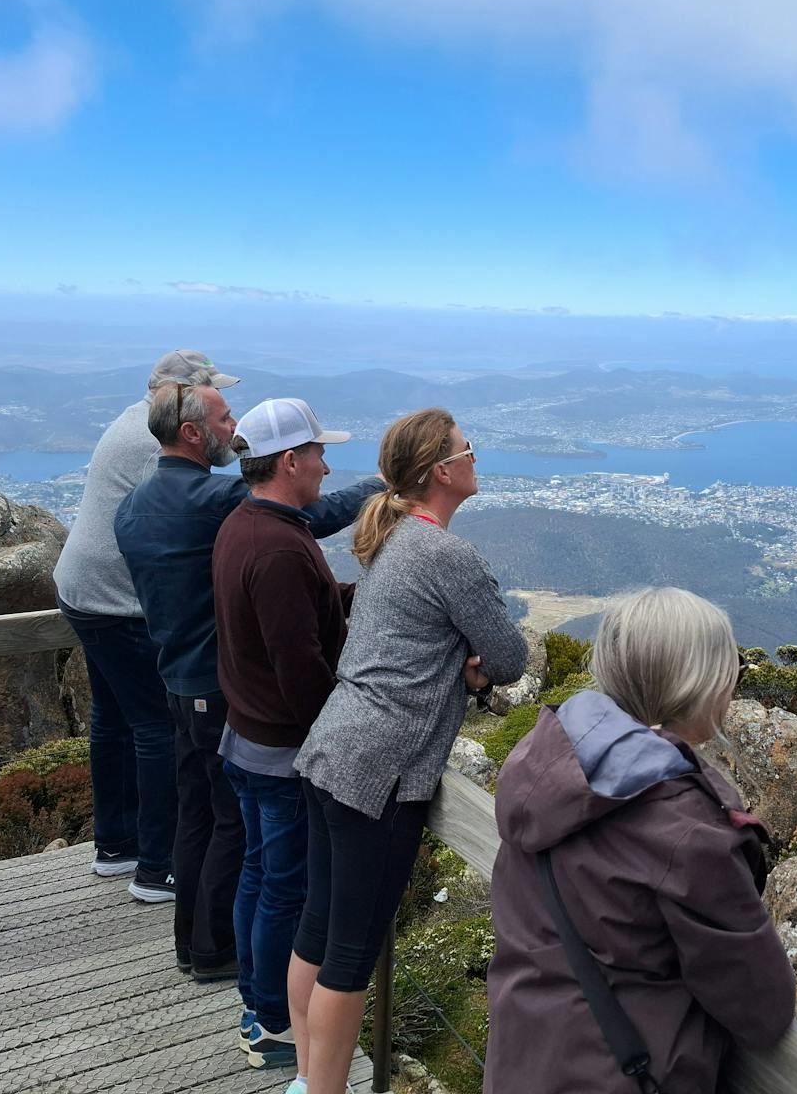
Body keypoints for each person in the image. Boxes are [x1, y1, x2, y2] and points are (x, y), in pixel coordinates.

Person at [288, 408, 528, 1094]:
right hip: (382, 774)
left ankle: (307, 1078)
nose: (475, 456)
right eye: (466, 449)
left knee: (316, 930)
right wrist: (474, 666)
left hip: (332, 751)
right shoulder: (447, 553)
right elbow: (508, 656)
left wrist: (462, 664)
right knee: (352, 958)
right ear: (442, 472)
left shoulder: (393, 538)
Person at [114, 382, 382, 984]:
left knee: (199, 816)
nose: (231, 428)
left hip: (177, 676)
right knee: (240, 833)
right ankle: (219, 954)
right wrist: (386, 484)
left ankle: (195, 943)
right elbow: (312, 519)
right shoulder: (225, 505)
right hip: (229, 689)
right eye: (223, 415)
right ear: (190, 431)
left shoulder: (133, 503)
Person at [484, 587, 797, 1094]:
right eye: (730, 667)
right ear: (695, 683)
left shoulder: (544, 770)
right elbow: (762, 1010)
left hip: (521, 1060)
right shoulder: (687, 831)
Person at [54, 349, 240, 895]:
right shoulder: (151, 446)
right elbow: (202, 506)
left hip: (83, 592)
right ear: (181, 403)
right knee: (158, 727)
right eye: (210, 398)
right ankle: (159, 867)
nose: (223, 415)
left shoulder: (132, 421)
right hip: (118, 603)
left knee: (113, 720)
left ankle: (117, 845)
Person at [213, 398, 353, 1070]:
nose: (327, 466)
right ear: (291, 460)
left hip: (245, 736)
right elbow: (300, 668)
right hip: (281, 752)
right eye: (319, 454)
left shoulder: (246, 524)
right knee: (285, 889)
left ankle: (256, 1001)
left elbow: (287, 625)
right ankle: (270, 1020)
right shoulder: (277, 547)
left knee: (260, 876)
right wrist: (342, 736)